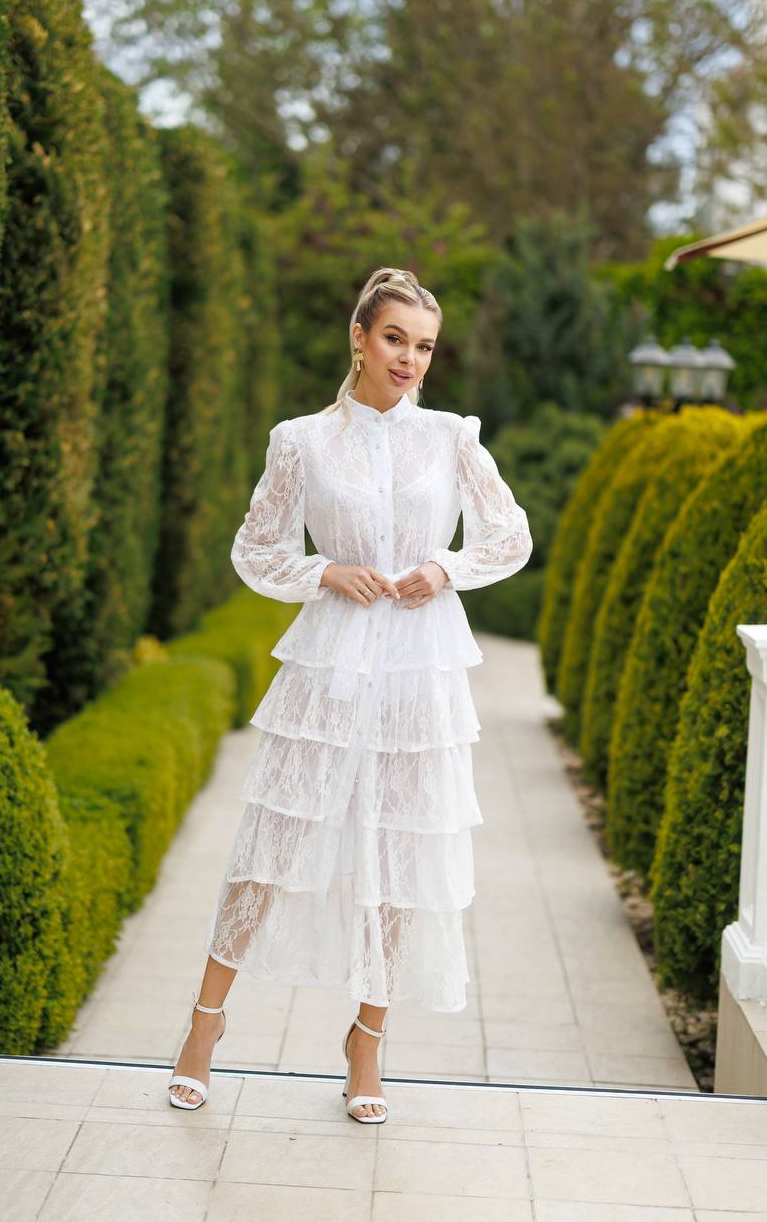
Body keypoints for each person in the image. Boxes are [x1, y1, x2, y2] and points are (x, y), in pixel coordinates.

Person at [168, 267, 533, 1123]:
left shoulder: (451, 438)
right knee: (269, 845)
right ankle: (203, 1027)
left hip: (418, 669)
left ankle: (366, 1042)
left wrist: (443, 568)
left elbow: (509, 535)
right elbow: (255, 549)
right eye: (395, 339)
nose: (409, 359)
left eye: (424, 346)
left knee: (400, 854)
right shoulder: (300, 441)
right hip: (328, 660)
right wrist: (324, 571)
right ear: (360, 339)